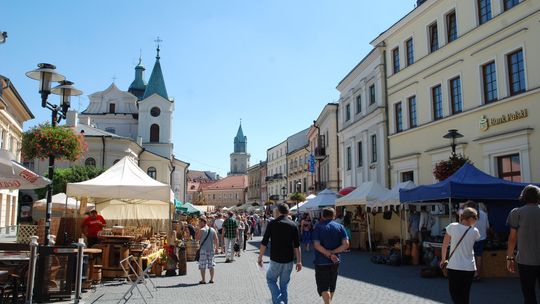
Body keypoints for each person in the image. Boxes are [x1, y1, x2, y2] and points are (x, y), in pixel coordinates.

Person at [258, 203, 302, 304]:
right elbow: (297, 245)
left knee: (270, 280)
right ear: (288, 212)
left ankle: (278, 302)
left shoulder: (272, 224)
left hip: (276, 259)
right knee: (284, 285)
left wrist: (260, 257)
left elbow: (264, 242)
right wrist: (299, 261)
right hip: (289, 260)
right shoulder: (293, 225)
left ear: (278, 211)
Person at [506, 185, 540, 304]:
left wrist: (509, 258)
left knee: (528, 294)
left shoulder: (516, 213)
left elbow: (512, 239)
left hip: (525, 260)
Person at [440, 207, 480, 304]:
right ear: (470, 218)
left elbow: (445, 245)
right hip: (469, 267)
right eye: (475, 218)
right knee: (465, 294)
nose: (476, 220)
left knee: (454, 292)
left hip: (454, 266)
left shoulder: (452, 227)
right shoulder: (475, 231)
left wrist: (443, 259)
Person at [312, 207, 349, 304]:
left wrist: (328, 253)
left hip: (321, 261)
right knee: (332, 286)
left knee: (324, 287)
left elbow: (317, 245)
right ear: (334, 215)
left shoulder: (318, 227)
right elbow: (346, 244)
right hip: (335, 261)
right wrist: (333, 252)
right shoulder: (340, 227)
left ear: (323, 216)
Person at [463, 201, 489, 280]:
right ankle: (477, 274)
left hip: (471, 239)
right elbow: (487, 227)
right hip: (482, 239)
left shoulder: (468, 216)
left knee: (470, 258)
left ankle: (471, 274)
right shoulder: (484, 214)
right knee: (479, 257)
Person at [195, 216, 219, 284]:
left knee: (202, 265)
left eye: (199, 222)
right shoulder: (212, 230)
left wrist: (197, 231)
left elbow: (197, 239)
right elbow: (216, 239)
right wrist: (216, 248)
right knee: (211, 264)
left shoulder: (202, 230)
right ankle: (211, 279)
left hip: (203, 250)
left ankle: (203, 280)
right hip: (211, 249)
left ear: (203, 222)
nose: (199, 224)